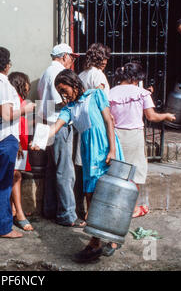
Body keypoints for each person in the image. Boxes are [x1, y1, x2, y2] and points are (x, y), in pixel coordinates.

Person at [31, 69, 124, 262]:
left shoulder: (96, 95)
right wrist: (38, 141)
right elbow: (54, 128)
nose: (63, 95)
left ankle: (113, 238)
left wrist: (112, 150)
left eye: (64, 89)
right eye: (60, 92)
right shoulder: (68, 108)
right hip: (89, 152)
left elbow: (108, 121)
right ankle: (96, 240)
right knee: (91, 195)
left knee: (111, 193)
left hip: (105, 146)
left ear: (74, 84)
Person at [0, 46, 35, 238]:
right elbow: (7, 114)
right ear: (5, 65)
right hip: (3, 138)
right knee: (3, 184)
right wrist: (26, 109)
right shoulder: (4, 85)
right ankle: (2, 228)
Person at [109, 62, 176, 218]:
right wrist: (166, 115)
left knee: (117, 172)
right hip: (134, 137)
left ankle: (116, 205)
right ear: (135, 78)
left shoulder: (111, 92)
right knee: (134, 174)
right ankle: (131, 209)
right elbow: (151, 116)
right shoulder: (142, 93)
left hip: (115, 136)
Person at [37, 43, 81, 227]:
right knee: (65, 171)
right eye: (71, 57)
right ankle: (67, 214)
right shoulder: (58, 73)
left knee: (52, 168)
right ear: (64, 56)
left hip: (49, 123)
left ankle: (50, 209)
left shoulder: (46, 72)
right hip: (59, 124)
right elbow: (62, 101)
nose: (72, 61)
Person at [75, 43, 112, 225]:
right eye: (105, 58)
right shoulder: (98, 75)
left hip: (83, 128)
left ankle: (87, 211)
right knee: (98, 172)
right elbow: (103, 103)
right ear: (100, 58)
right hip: (98, 128)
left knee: (87, 172)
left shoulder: (81, 75)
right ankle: (94, 213)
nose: (106, 62)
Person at [7, 71, 33, 231]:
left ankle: (14, 209)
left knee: (15, 176)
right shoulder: (16, 100)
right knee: (16, 176)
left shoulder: (20, 100)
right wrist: (18, 144)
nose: (29, 85)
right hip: (17, 144)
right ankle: (20, 214)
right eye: (26, 82)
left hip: (21, 142)